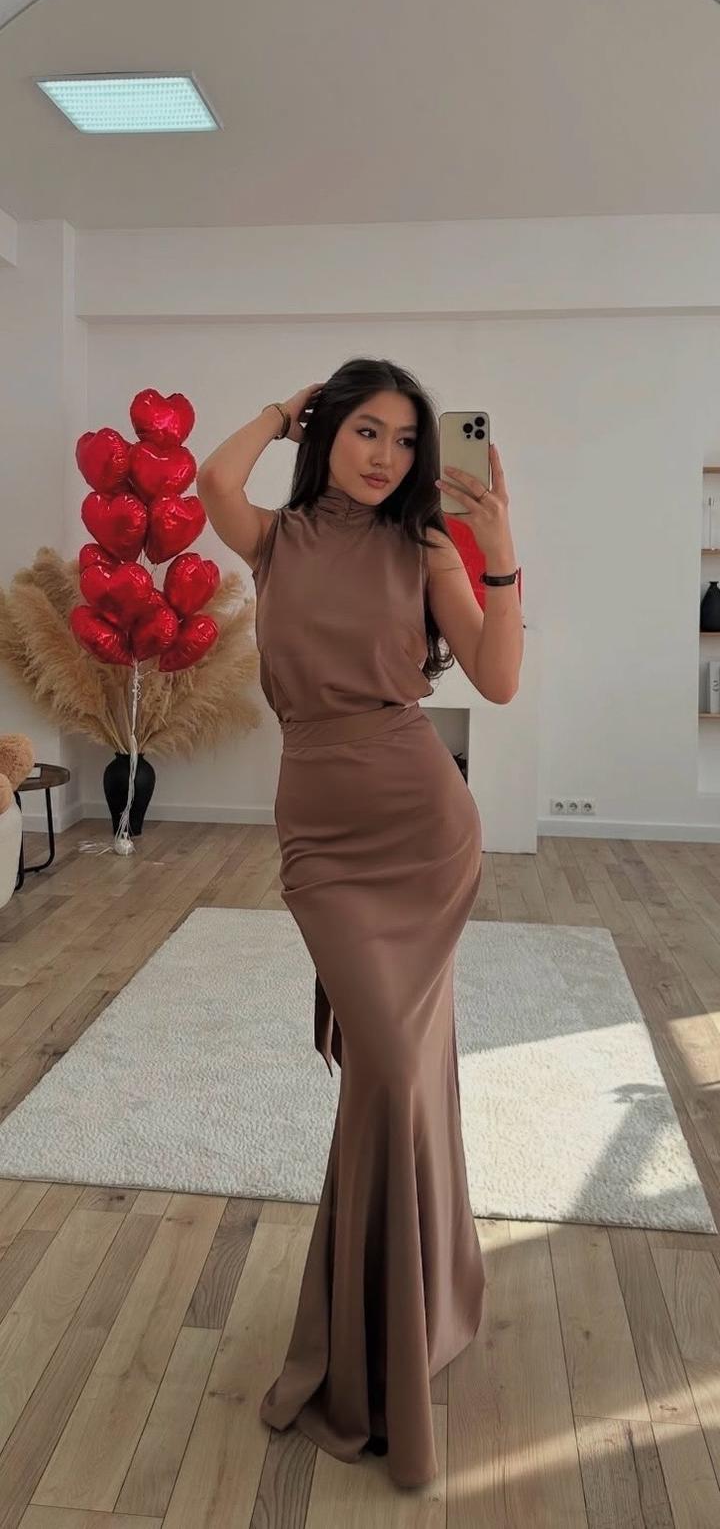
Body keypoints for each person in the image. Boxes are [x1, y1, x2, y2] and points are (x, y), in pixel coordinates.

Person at [197, 357, 520, 1490]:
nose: (387, 455)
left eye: (405, 438)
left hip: (422, 825)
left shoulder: (423, 543)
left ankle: (395, 1326)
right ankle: (392, 1316)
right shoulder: (276, 540)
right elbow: (212, 480)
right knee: (390, 1065)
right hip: (322, 840)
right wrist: (280, 411)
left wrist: (499, 551)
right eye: (365, 430)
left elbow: (497, 677)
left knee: (393, 1070)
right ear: (326, 433)